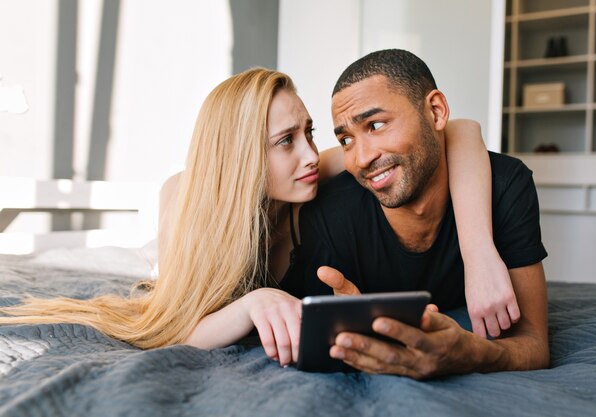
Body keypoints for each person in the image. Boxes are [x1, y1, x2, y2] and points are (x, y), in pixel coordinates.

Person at [0, 67, 511, 368]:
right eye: (286, 141)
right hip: (173, 272)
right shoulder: (184, 198)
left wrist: (479, 252)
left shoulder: (308, 176)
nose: (312, 154)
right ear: (242, 153)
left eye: (309, 133)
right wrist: (256, 301)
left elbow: (459, 131)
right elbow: (181, 326)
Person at [280, 49, 550, 378]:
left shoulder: (505, 185)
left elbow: (534, 343)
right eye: (347, 140)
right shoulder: (329, 211)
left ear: (436, 112)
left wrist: (472, 353)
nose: (361, 159)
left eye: (376, 125)